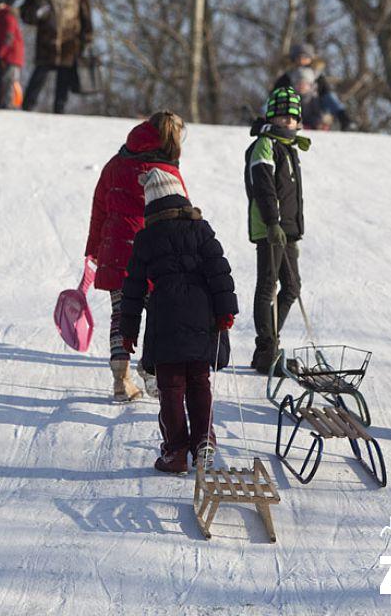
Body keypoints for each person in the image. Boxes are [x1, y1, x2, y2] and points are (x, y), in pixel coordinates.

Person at [120, 167, 238, 474]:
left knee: (171, 387)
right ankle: (204, 442)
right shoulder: (201, 229)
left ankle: (175, 452)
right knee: (200, 381)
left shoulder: (146, 237)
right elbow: (219, 271)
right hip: (203, 314)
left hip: (165, 318)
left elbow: (132, 288)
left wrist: (128, 330)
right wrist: (226, 310)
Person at [84, 111, 187, 402]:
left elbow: (99, 210)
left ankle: (121, 379)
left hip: (116, 254)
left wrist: (93, 249)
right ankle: (152, 373)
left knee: (121, 315)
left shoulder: (116, 163)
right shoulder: (166, 170)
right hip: (153, 255)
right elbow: (180, 214)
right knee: (158, 315)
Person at [244, 86, 310, 374]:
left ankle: (268, 347)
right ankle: (267, 350)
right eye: (281, 116)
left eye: (291, 117)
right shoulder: (266, 144)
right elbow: (264, 186)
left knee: (292, 286)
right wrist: (272, 222)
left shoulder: (288, 147)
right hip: (271, 228)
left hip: (287, 229)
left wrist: (292, 227)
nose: (287, 122)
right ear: (272, 117)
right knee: (268, 285)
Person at [19, 0, 93, 114]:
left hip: (69, 42)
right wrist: (36, 13)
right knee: (39, 76)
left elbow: (85, 15)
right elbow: (24, 13)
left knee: (64, 80)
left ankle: (59, 113)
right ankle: (26, 108)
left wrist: (87, 38)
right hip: (46, 41)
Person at [271, 43, 352, 131]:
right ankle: (265, 118)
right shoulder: (287, 76)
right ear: (293, 59)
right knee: (275, 98)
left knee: (330, 97)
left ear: (311, 59)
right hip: (293, 109)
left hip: (315, 107)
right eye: (299, 57)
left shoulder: (318, 76)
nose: (302, 60)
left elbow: (326, 92)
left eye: (305, 57)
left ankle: (344, 118)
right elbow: (274, 94)